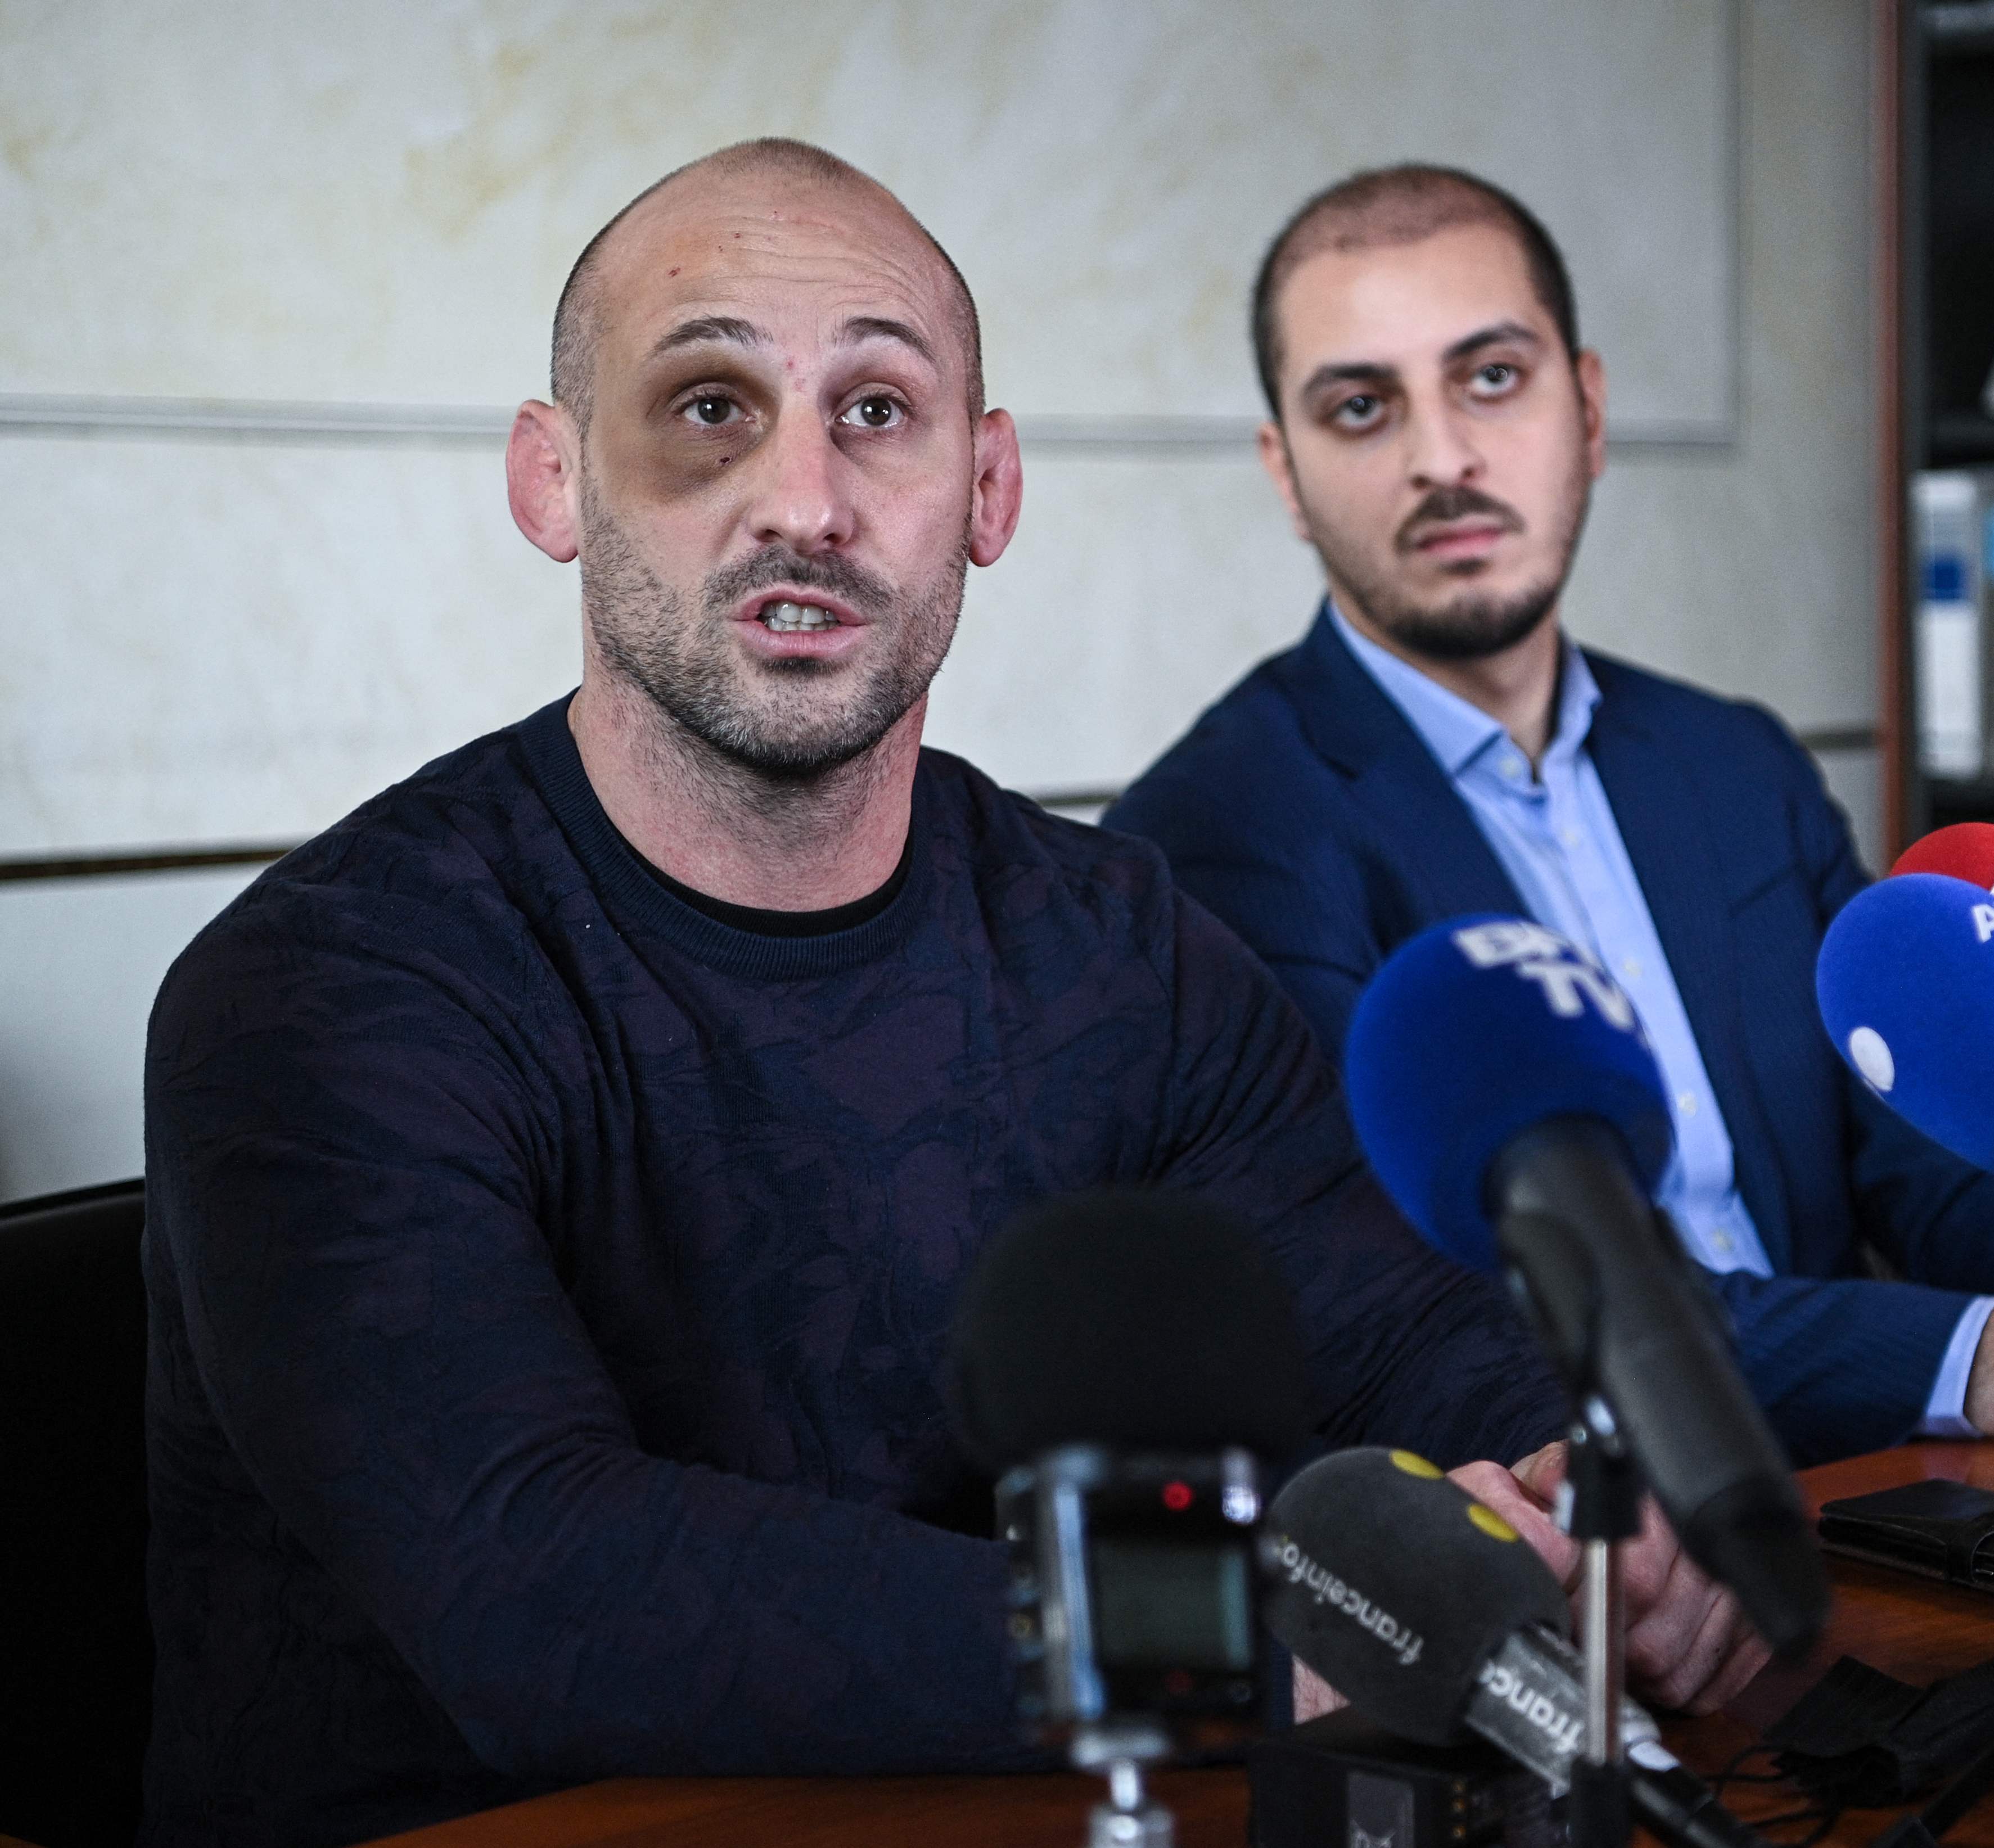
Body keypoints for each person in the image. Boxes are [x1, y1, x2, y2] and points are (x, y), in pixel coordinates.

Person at [139, 141, 1760, 1848]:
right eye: (706, 406)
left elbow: (1398, 1336)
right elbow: (540, 1585)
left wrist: (1588, 1500)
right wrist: (1315, 1633)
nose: (802, 502)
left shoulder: (1111, 936)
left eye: (876, 412)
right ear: (553, 483)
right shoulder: (326, 986)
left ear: (987, 492)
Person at [1104, 166, 1994, 1466]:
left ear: (1590, 409)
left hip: (1877, 1483)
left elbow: (1932, 1158)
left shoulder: (1732, 763)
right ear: (1285, 471)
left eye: (1491, 377)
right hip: (1571, 1543)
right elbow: (1461, 1314)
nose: (1441, 457)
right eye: (1361, 406)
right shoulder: (1217, 838)